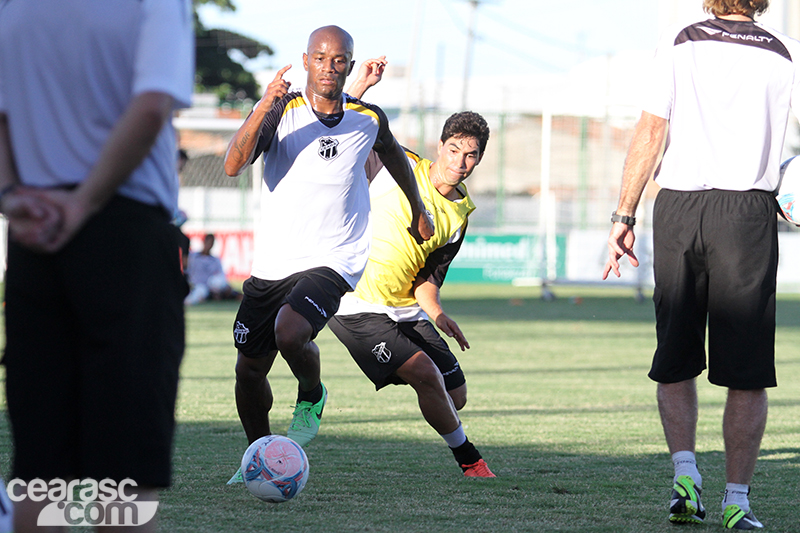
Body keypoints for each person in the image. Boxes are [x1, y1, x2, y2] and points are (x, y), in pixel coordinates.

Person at [602, 0, 800, 529]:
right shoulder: (785, 52)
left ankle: (685, 478)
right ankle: (737, 502)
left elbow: (650, 131)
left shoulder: (680, 39)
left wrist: (624, 212)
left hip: (680, 207)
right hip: (747, 213)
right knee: (747, 369)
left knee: (676, 355)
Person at [0, 1, 193, 531]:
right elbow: (151, 105)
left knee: (41, 478)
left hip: (35, 235)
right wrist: (84, 203)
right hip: (124, 233)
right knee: (124, 486)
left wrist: (11, 194)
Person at [223, 26, 433, 483]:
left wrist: (419, 208)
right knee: (248, 371)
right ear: (305, 61)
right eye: (320, 58)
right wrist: (264, 104)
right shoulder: (282, 112)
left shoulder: (368, 117)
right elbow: (233, 164)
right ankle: (258, 455)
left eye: (339, 60)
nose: (329, 67)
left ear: (350, 66)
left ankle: (311, 392)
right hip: (274, 263)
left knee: (291, 331)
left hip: (335, 257)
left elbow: (394, 154)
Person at [327, 60, 495, 477]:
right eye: (454, 150)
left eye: (470, 155)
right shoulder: (395, 165)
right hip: (355, 303)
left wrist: (438, 314)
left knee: (456, 396)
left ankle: (411, 374)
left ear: (478, 160)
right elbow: (348, 126)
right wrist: (361, 84)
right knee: (424, 373)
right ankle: (470, 460)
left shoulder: (459, 216)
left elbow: (426, 279)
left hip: (405, 310)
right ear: (441, 146)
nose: (460, 161)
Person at [185, 233, 241, 305]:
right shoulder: (193, 257)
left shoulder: (215, 260)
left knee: (218, 282)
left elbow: (221, 276)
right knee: (200, 292)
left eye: (211, 243)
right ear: (203, 242)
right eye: (208, 242)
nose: (209, 245)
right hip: (198, 286)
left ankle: (230, 295)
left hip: (212, 287)